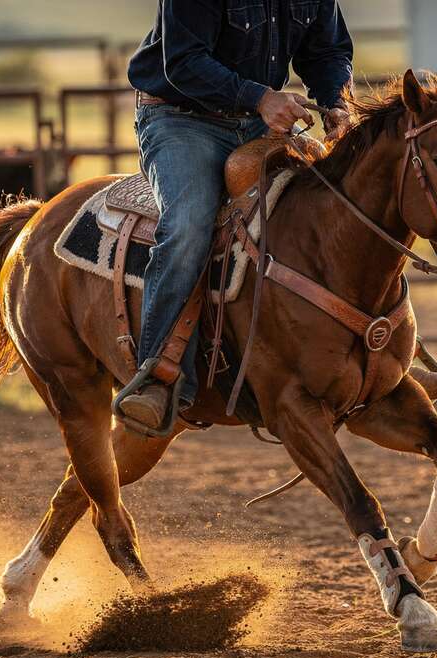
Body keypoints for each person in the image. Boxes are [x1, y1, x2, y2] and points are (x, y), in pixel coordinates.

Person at [116, 0, 355, 431]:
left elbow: (327, 51)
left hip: (257, 123)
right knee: (189, 222)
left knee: (334, 207)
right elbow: (184, 62)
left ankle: (379, 356)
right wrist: (261, 97)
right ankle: (157, 376)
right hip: (180, 119)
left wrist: (337, 100)